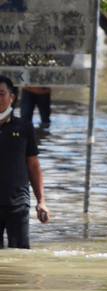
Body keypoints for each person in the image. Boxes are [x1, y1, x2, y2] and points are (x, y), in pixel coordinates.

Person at [0, 76, 49, 249]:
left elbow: (34, 166)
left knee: (19, 255)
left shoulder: (24, 127)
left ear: (11, 97)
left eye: (1, 94)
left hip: (18, 205)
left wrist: (41, 201)